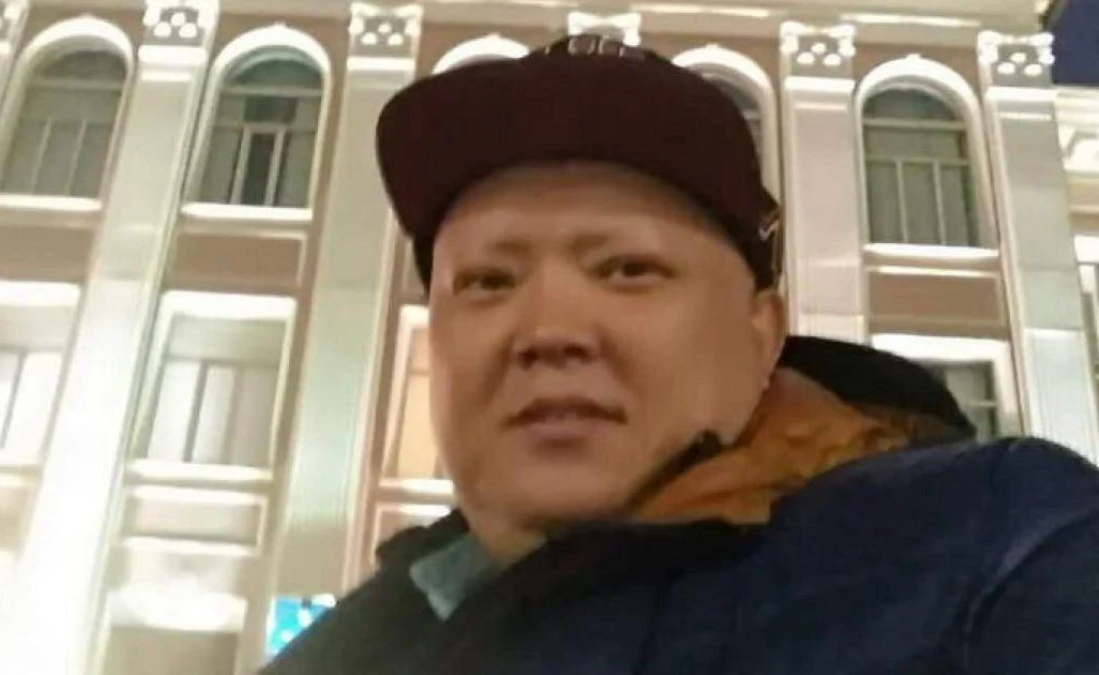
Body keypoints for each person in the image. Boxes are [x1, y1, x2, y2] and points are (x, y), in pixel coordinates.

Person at [263, 34, 1099, 675]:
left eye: (627, 269)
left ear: (762, 335)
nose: (548, 329)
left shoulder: (999, 553)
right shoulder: (348, 648)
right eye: (487, 280)